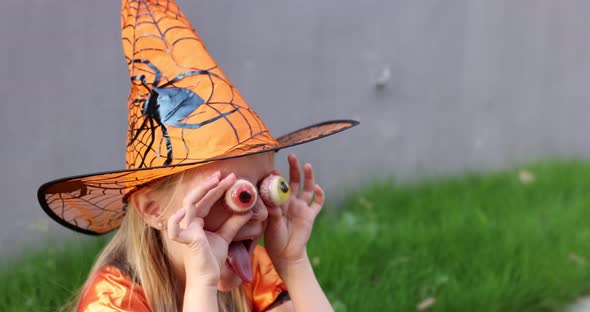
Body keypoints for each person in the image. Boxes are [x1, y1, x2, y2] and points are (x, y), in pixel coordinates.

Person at [37, 0, 357, 311]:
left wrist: (293, 263)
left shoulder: (252, 270)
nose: (259, 213)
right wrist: (202, 282)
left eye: (268, 188)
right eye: (233, 195)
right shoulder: (113, 300)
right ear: (152, 209)